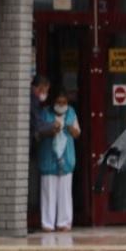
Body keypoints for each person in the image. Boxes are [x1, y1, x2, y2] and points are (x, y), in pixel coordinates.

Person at [36, 89, 79, 232]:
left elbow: (77, 133)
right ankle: (47, 223)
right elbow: (39, 132)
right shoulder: (45, 113)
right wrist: (51, 130)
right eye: (59, 102)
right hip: (49, 158)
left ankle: (64, 222)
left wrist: (70, 128)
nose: (61, 105)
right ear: (53, 103)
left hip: (66, 159)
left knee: (65, 193)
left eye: (64, 103)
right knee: (48, 192)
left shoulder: (71, 113)